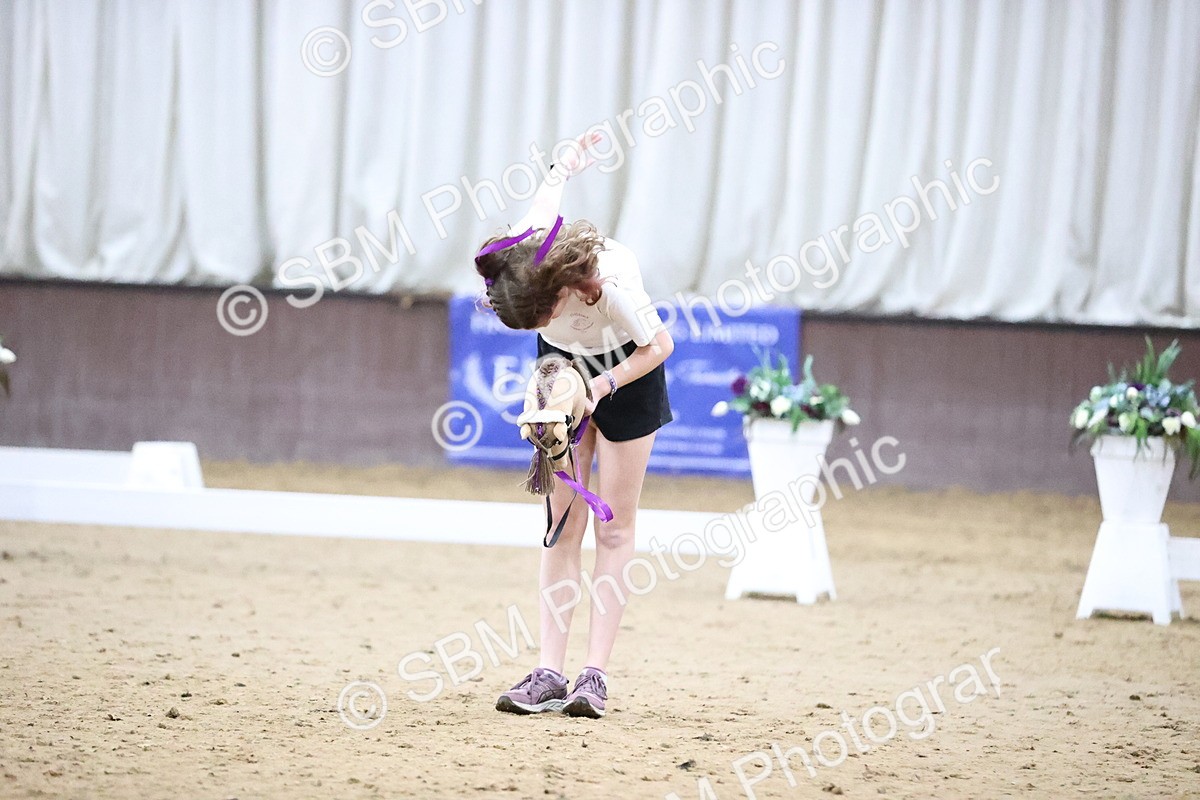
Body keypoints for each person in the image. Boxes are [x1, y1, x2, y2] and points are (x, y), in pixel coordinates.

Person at [474, 133, 675, 719]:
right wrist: (564, 161)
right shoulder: (527, 254)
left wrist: (599, 388)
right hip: (560, 369)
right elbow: (550, 190)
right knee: (561, 524)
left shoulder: (611, 287)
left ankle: (594, 677)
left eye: (541, 313)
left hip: (626, 373)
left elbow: (659, 345)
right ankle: (547, 673)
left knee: (613, 530)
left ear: (561, 289)